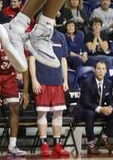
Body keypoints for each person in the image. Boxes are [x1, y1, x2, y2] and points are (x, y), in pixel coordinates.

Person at [29, 28, 69, 157]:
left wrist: (65, 80)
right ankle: (44, 144)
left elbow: (63, 59)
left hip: (57, 81)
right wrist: (34, 80)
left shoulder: (61, 36)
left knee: (59, 113)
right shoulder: (35, 36)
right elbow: (32, 59)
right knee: (42, 114)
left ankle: (57, 144)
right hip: (42, 81)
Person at [0, 34, 28, 156]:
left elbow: (25, 69)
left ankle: (12, 145)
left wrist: (25, 92)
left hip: (9, 75)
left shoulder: (20, 45)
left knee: (15, 107)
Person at [78, 59, 113, 154]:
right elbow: (85, 102)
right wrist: (101, 109)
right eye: (99, 69)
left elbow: (111, 101)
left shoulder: (109, 83)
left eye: (103, 69)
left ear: (106, 71)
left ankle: (104, 138)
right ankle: (91, 144)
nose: (101, 71)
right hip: (86, 110)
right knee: (89, 113)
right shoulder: (87, 82)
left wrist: (110, 108)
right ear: (94, 70)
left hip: (101, 111)